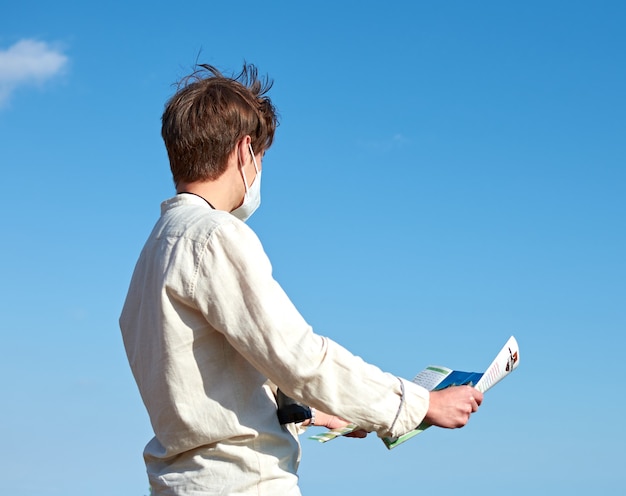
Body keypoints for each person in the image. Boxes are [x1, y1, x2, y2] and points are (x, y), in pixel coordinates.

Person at [119, 63, 483, 495]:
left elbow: (210, 382)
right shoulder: (216, 235)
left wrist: (315, 411)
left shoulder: (154, 250)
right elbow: (300, 356)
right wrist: (419, 403)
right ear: (245, 151)